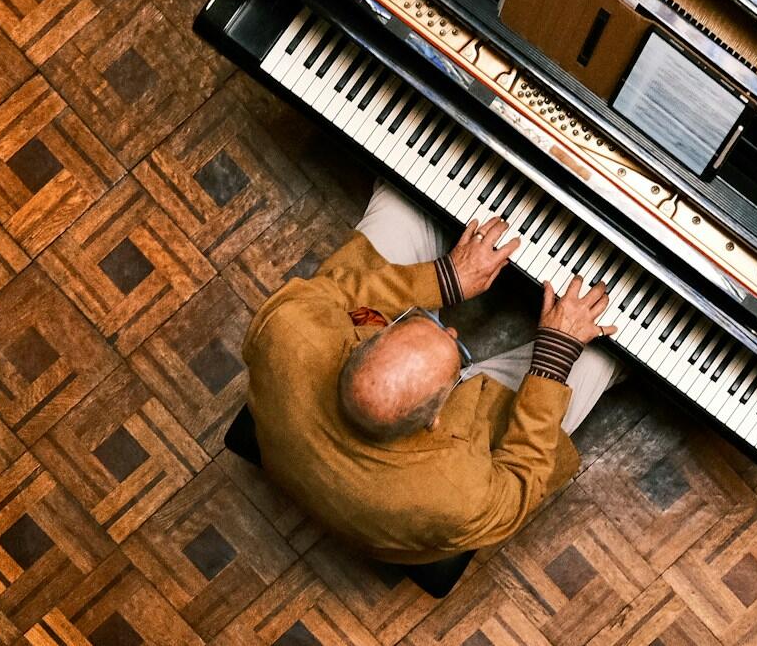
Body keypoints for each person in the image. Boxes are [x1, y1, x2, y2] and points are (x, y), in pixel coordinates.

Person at [241, 182, 621, 564]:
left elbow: (332, 290)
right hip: (430, 476)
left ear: (364, 339)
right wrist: (556, 352)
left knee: (404, 190)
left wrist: (446, 279)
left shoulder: (288, 332)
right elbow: (522, 480)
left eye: (415, 324)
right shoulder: (456, 496)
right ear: (437, 417)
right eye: (455, 352)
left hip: (300, 441)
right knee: (604, 350)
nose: (453, 329)